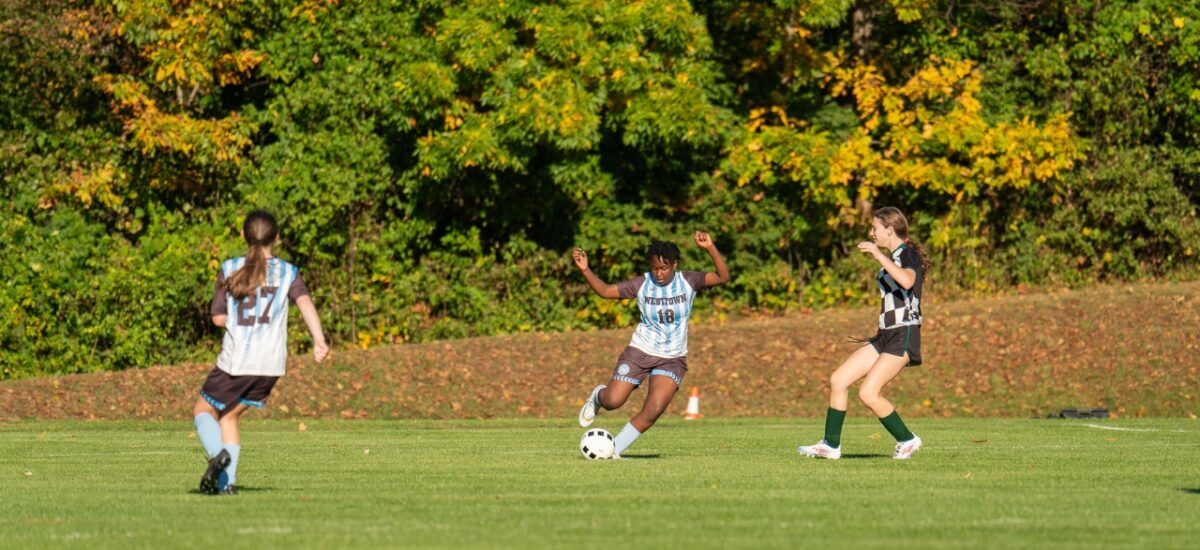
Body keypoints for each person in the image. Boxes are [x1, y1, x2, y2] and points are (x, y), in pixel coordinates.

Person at [192, 210, 329, 494]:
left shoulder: (230, 268)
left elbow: (217, 318)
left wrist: (240, 324)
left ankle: (218, 455)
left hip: (237, 362)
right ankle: (225, 484)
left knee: (203, 410)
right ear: (276, 238)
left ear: (243, 235)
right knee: (228, 416)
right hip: (271, 366)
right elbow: (304, 302)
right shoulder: (289, 272)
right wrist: (319, 340)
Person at [574, 231, 730, 458]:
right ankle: (598, 396)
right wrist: (585, 270)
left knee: (654, 409)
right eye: (655, 268)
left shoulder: (689, 281)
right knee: (613, 401)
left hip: (672, 358)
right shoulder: (642, 284)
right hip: (640, 351)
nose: (659, 273)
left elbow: (723, 277)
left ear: (675, 264)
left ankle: (613, 450)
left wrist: (710, 247)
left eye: (664, 268)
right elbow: (605, 291)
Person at [797, 207, 930, 460]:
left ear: (889, 230)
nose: (871, 233)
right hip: (885, 335)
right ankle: (830, 445)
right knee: (839, 379)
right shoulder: (895, 256)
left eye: (874, 228)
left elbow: (907, 281)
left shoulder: (907, 254)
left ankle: (908, 439)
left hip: (904, 334)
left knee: (868, 393)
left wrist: (879, 256)